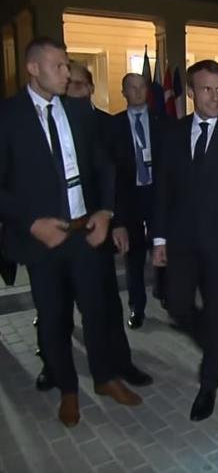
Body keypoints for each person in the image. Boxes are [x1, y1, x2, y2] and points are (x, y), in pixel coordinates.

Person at [0, 37, 142, 427]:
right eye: (58, 66)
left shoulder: (79, 111)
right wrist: (32, 223)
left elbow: (105, 166)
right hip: (42, 239)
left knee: (98, 313)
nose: (66, 73)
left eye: (67, 65)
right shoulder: (8, 116)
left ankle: (105, 378)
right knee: (53, 319)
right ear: (33, 69)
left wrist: (106, 212)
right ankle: (68, 390)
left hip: (85, 234)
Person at [152, 60, 218, 421]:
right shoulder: (173, 133)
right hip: (181, 243)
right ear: (191, 92)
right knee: (177, 306)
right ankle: (216, 342)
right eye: (206, 90)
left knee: (215, 314)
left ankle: (208, 385)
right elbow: (163, 189)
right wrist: (159, 239)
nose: (215, 97)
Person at [34, 64, 152, 393]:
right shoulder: (41, 121)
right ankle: (52, 366)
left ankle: (120, 363)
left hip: (94, 232)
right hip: (53, 234)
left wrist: (118, 221)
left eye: (81, 86)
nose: (77, 91)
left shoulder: (105, 124)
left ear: (90, 88)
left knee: (106, 304)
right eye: (70, 86)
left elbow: (117, 179)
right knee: (54, 308)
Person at [111, 73, 168, 328]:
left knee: (162, 248)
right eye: (131, 88)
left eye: (141, 87)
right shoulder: (114, 126)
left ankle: (165, 294)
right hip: (129, 200)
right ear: (123, 92)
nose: (137, 92)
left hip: (157, 197)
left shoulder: (162, 122)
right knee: (133, 258)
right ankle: (137, 307)